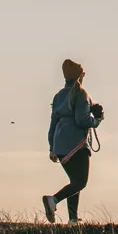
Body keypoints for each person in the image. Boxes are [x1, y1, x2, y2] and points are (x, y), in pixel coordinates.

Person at [43, 58, 103, 223]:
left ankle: (73, 219)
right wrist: (97, 120)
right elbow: (82, 120)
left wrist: (52, 148)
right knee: (80, 182)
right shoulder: (81, 93)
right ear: (80, 76)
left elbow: (53, 124)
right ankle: (53, 200)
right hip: (76, 144)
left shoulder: (58, 96)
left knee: (74, 182)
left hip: (59, 144)